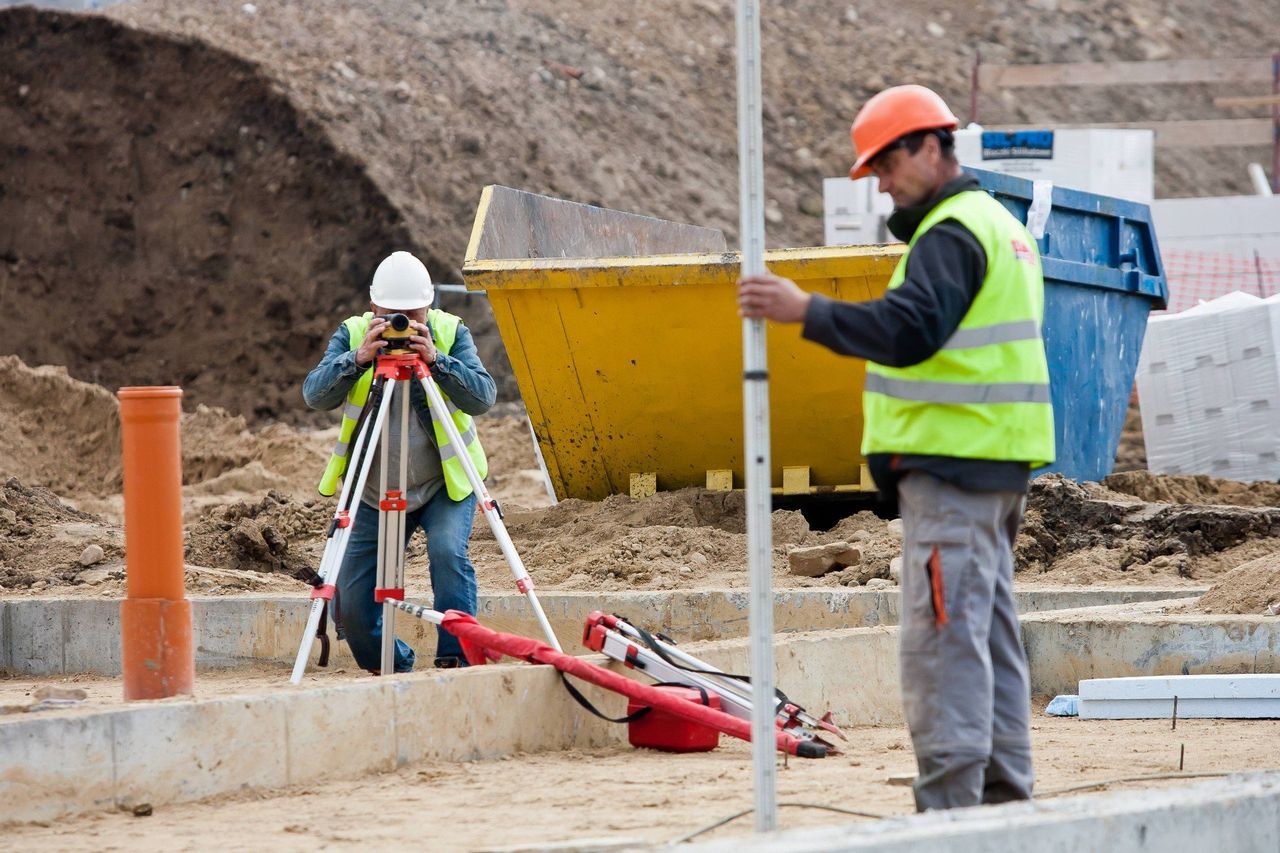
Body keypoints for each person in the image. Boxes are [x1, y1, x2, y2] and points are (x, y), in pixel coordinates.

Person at [737, 85, 1055, 811]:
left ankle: (949, 809)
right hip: (993, 466)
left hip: (954, 470)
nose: (881, 183)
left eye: (886, 165)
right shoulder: (997, 226)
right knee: (990, 639)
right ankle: (1005, 805)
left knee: (942, 645)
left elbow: (910, 331)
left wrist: (803, 310)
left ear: (931, 147)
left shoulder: (950, 232)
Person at [303, 250, 496, 672]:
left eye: (412, 315)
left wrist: (437, 361)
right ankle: (392, 660)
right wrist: (357, 360)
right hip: (374, 489)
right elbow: (315, 395)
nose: (403, 326)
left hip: (444, 483)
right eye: (393, 316)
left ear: (429, 306)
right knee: (352, 603)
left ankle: (457, 656)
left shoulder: (448, 332)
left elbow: (483, 397)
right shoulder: (354, 334)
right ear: (374, 308)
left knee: (448, 552)